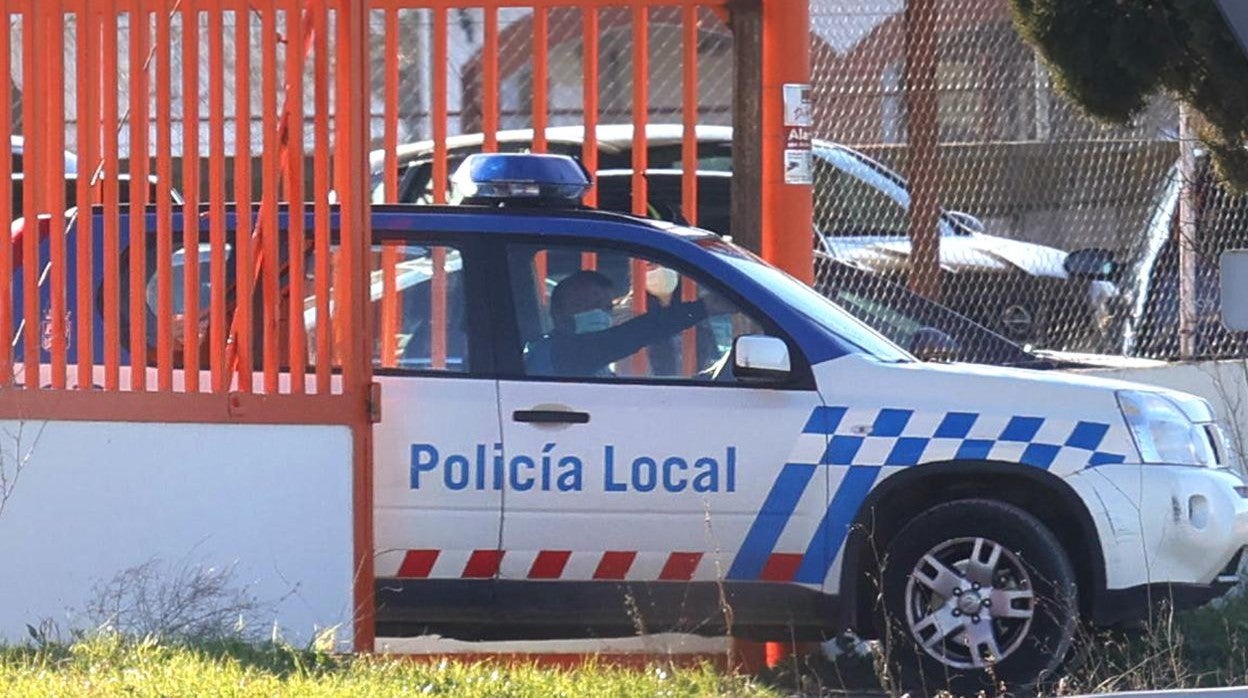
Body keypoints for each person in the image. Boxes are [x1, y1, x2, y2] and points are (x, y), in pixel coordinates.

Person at [526, 268, 730, 378]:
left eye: (605, 307)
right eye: (586, 305)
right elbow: (633, 335)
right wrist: (704, 308)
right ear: (557, 312)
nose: (597, 313)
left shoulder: (594, 362)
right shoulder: (559, 352)